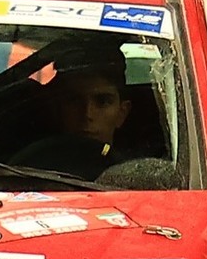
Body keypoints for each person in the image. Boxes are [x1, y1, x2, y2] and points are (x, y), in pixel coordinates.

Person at [8, 43, 134, 179]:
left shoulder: (144, 180)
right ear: (57, 109)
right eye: (74, 101)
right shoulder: (23, 172)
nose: (87, 114)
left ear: (122, 113)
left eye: (102, 102)